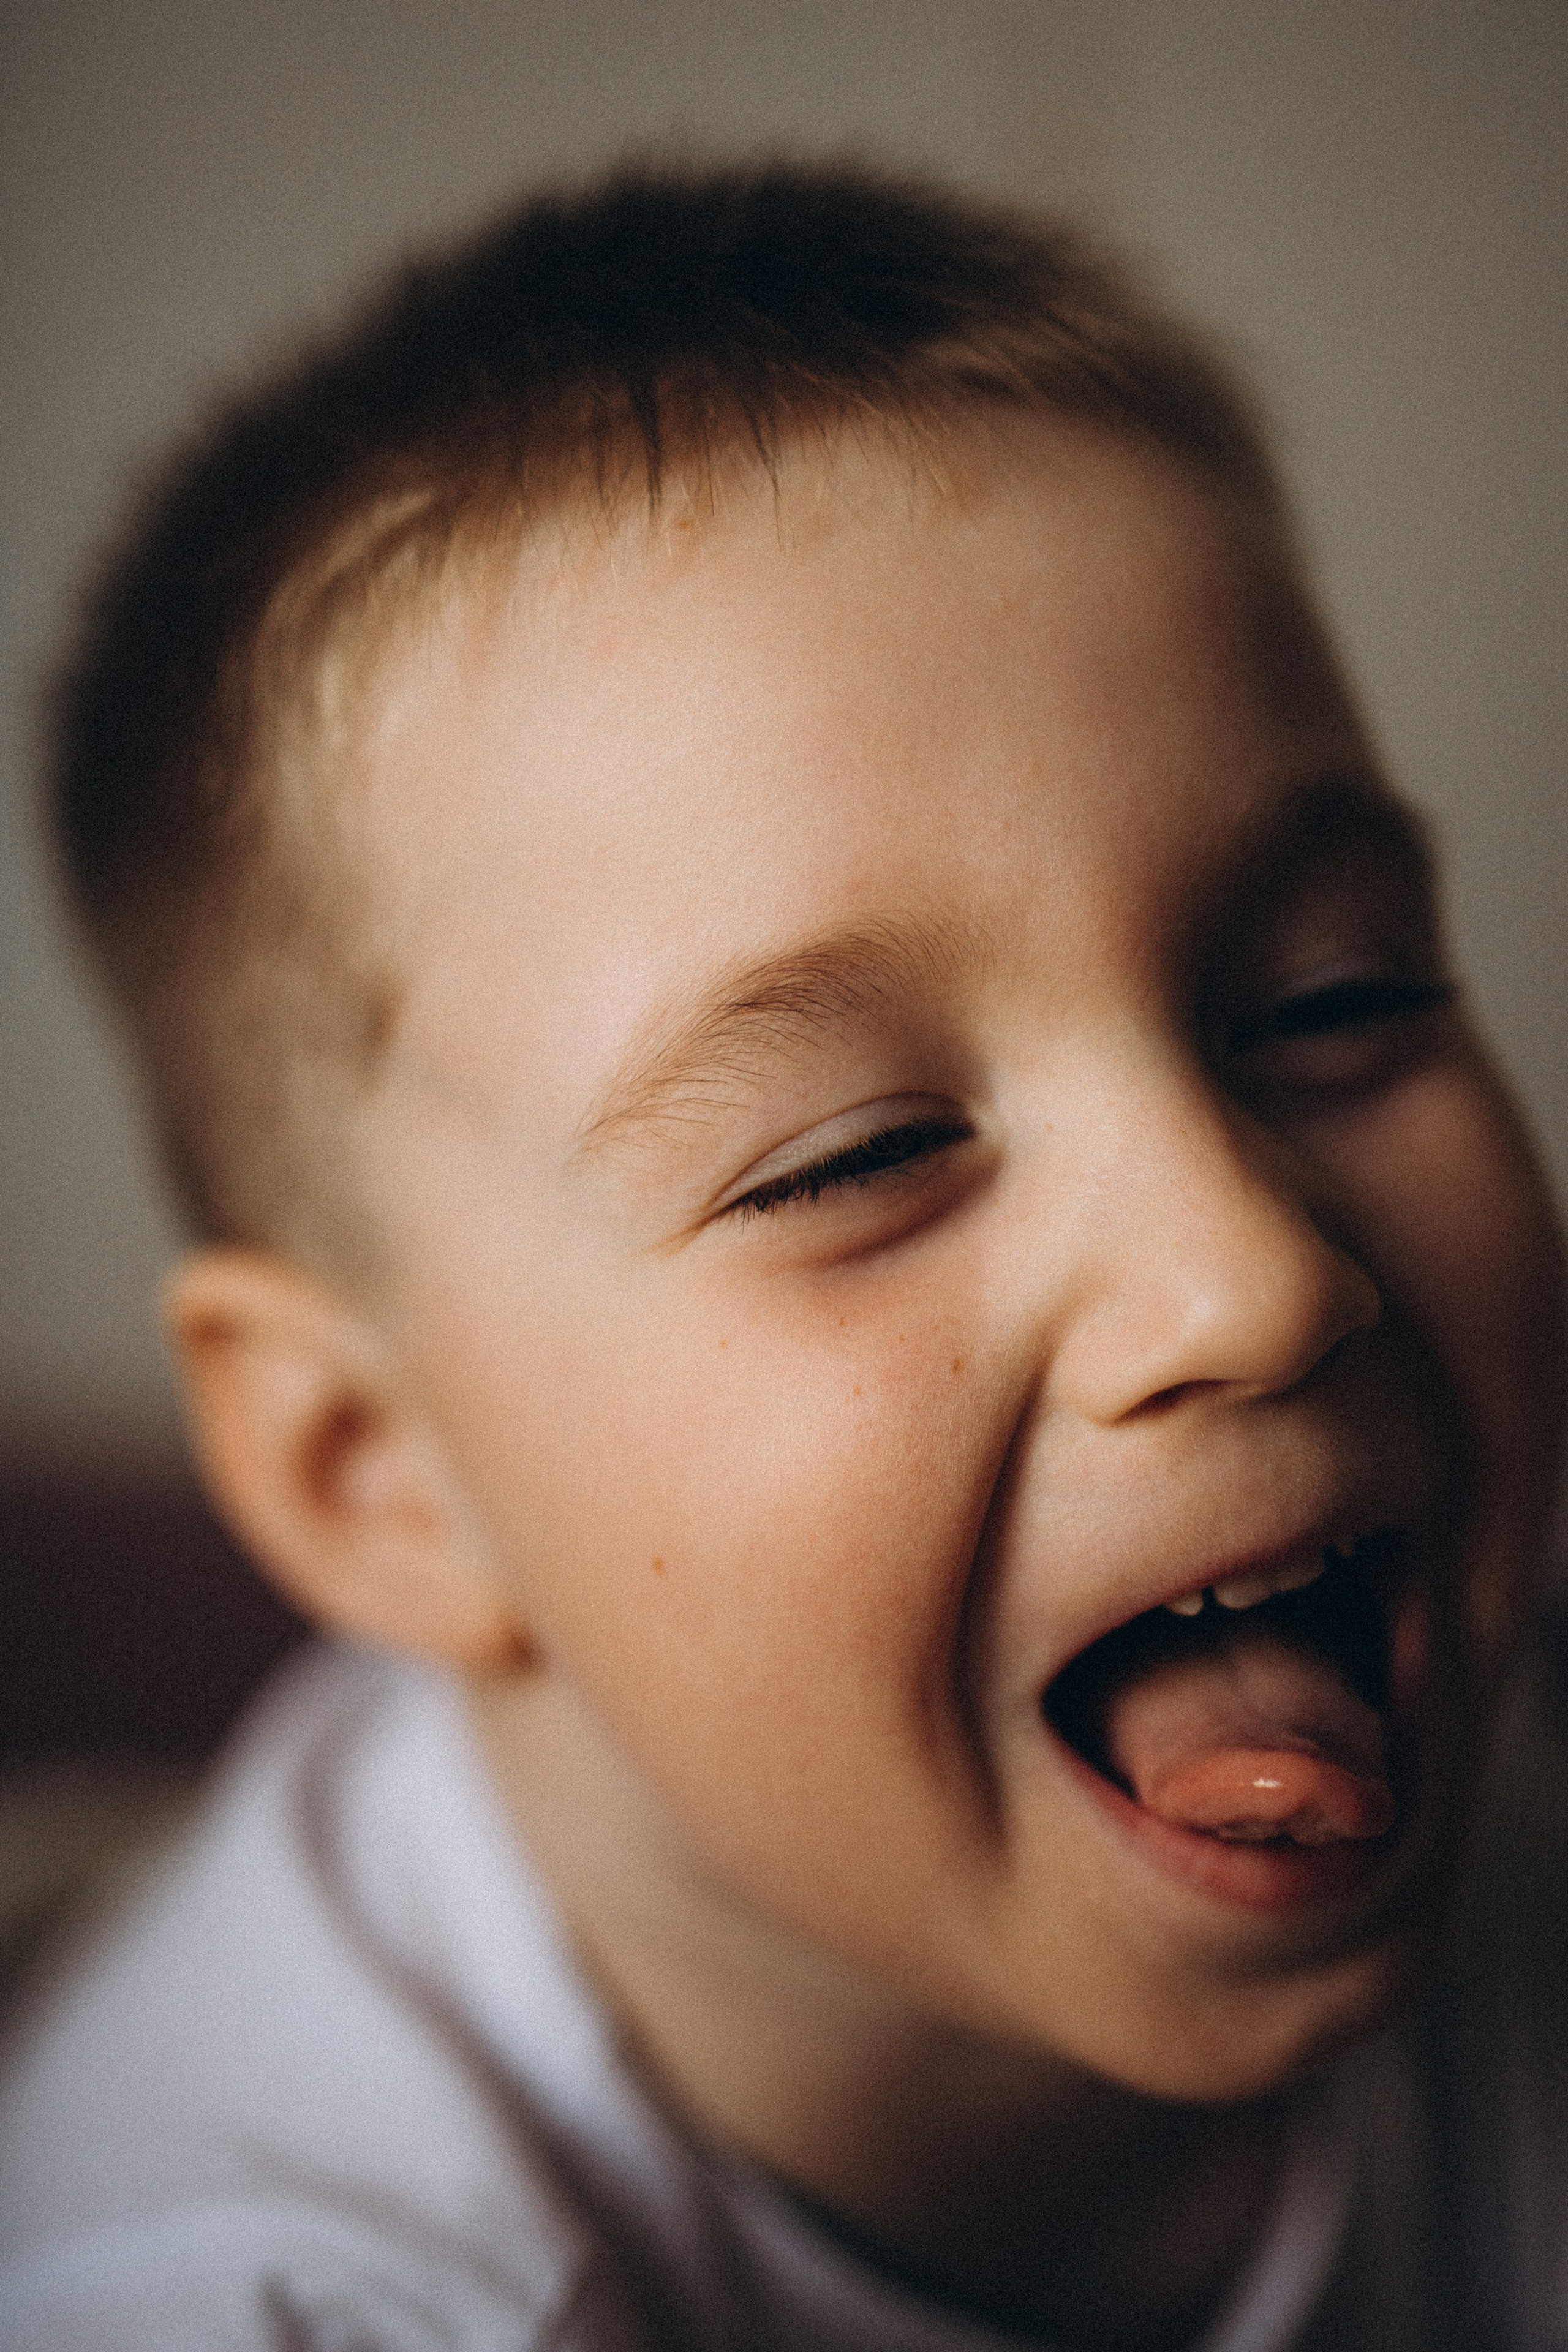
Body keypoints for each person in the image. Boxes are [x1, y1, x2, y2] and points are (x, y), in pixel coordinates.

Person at [1, 159, 1564, 2351]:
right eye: (862, 1158)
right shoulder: (263, 2299)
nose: (1254, 1278)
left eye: (1336, 999)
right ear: (382, 1473)